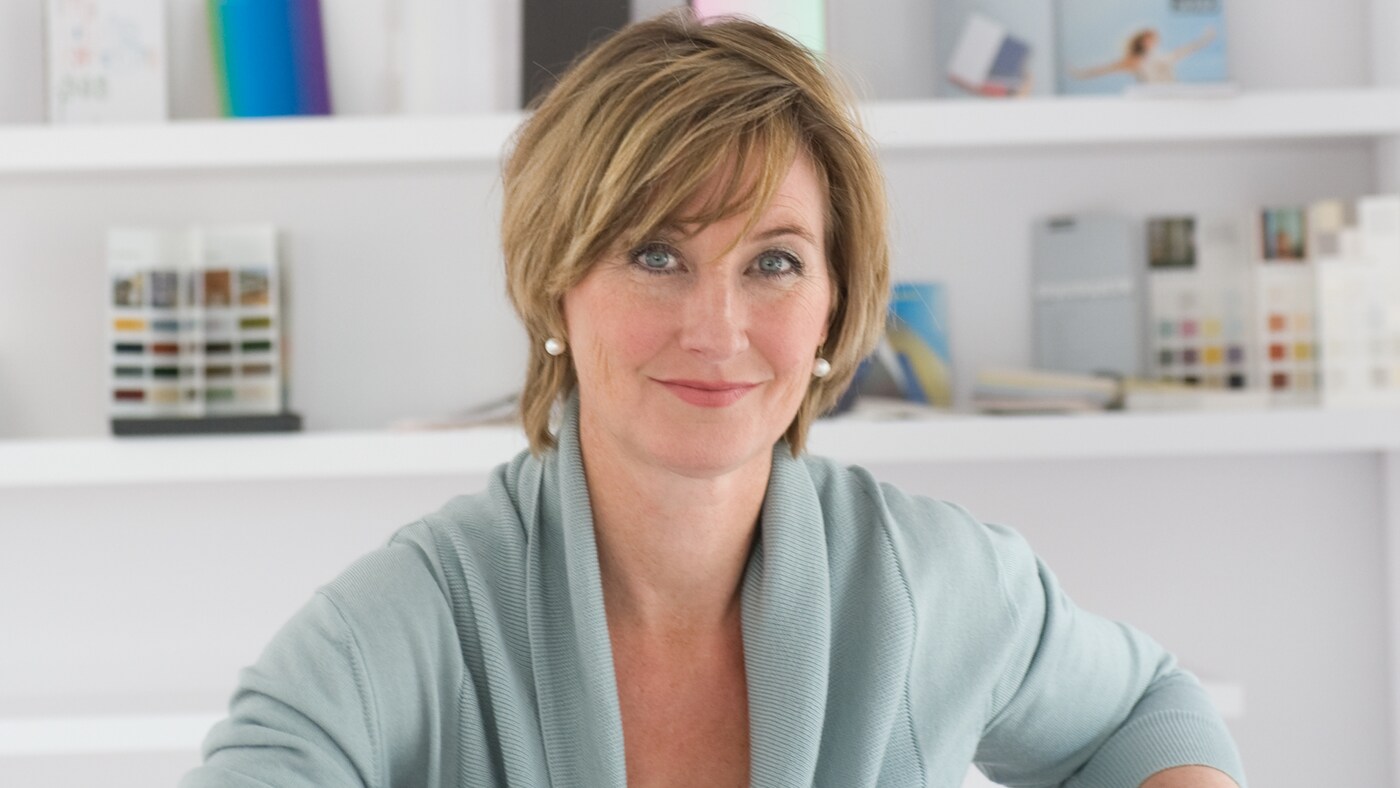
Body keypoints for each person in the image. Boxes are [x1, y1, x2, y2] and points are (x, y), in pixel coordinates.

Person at [180, 10, 1247, 788]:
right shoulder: (413, 619)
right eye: (656, 255)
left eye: (774, 262)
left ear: (833, 305)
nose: (717, 328)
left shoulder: (928, 582)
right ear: (556, 287)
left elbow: (1149, 711)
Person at [1072, 26, 1218, 85]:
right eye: (1148, 39)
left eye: (1153, 38)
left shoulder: (1163, 56)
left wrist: (1205, 39)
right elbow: (1106, 69)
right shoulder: (1135, 60)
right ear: (1142, 41)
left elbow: (1187, 49)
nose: (1152, 41)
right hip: (1154, 98)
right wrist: (1081, 73)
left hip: (1173, 93)